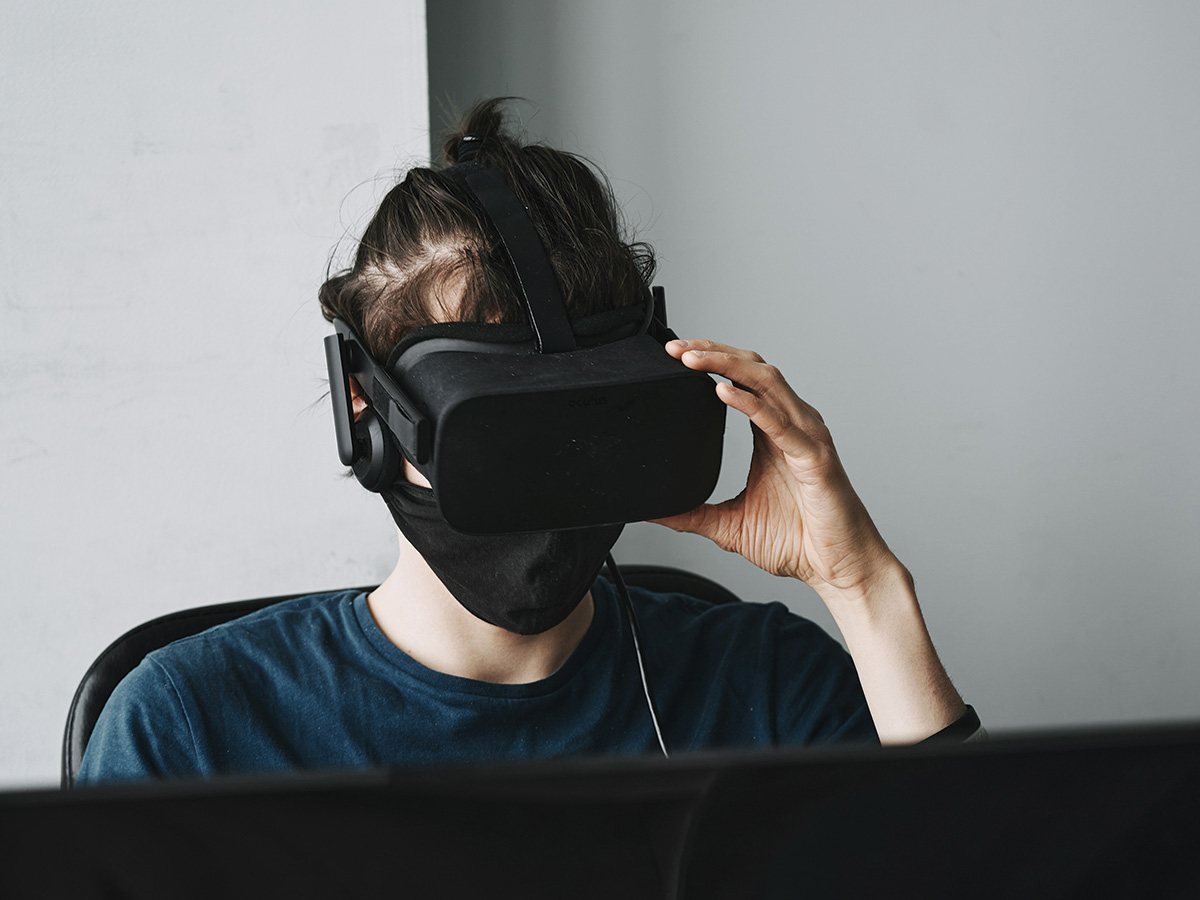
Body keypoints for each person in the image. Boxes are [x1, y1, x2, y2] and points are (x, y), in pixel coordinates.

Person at [77, 99, 977, 784]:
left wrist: (861, 585)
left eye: (583, 419)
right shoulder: (192, 724)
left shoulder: (768, 686)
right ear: (366, 409)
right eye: (498, 428)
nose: (547, 483)